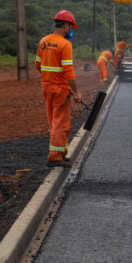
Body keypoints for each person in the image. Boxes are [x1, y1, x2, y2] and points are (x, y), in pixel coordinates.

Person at [35, 10, 82, 167]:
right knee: (60, 123)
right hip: (60, 88)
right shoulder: (65, 44)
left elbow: (37, 64)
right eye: (71, 27)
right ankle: (55, 156)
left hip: (46, 87)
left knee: (54, 121)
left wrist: (49, 77)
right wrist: (76, 91)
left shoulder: (43, 41)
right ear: (66, 25)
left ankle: (61, 152)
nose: (72, 31)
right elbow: (68, 71)